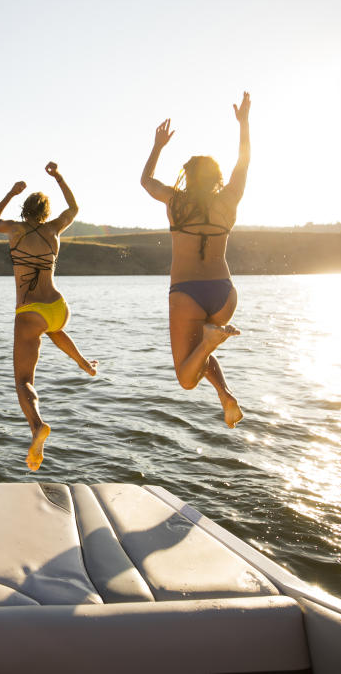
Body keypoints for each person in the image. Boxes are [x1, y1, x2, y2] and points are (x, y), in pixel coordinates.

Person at [140, 91, 251, 428]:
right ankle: (225, 393)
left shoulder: (176, 202)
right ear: (216, 178)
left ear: (188, 177)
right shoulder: (229, 199)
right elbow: (243, 162)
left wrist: (158, 146)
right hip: (224, 294)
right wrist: (243, 124)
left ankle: (209, 342)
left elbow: (146, 181)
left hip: (187, 293)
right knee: (202, 346)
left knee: (187, 376)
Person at [0, 162, 97, 471]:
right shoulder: (53, 230)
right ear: (46, 212)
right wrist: (59, 176)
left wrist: (11, 192)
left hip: (30, 310)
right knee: (50, 329)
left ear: (25, 210)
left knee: (23, 380)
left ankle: (37, 425)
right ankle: (83, 363)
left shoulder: (15, 229)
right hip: (59, 308)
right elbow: (74, 207)